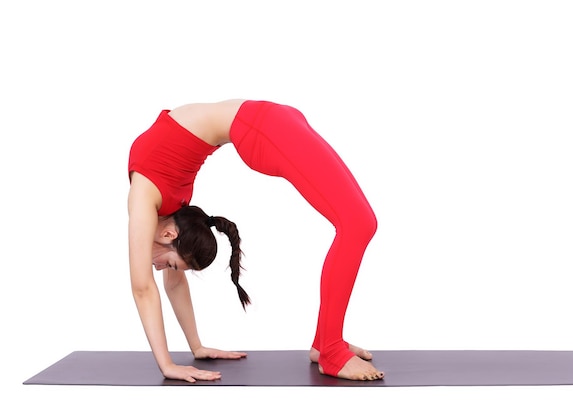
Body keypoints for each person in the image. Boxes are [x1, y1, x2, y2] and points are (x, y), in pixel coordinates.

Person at [127, 99, 384, 382]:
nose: (161, 268)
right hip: (268, 121)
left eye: (170, 265)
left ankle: (330, 349)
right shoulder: (174, 210)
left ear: (168, 235)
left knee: (357, 225)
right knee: (360, 223)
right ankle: (325, 344)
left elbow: (142, 288)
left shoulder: (143, 198)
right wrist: (196, 346)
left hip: (264, 128)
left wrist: (167, 366)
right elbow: (175, 284)